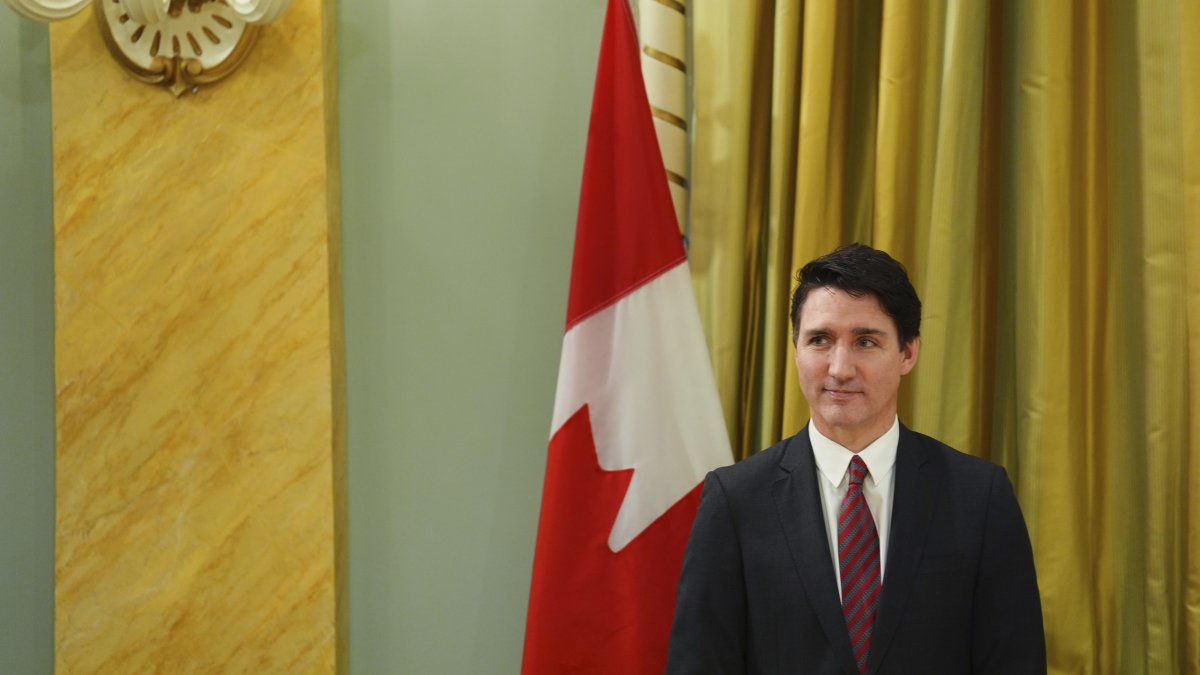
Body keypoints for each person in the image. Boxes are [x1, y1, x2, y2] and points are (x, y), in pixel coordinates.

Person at [666, 244, 1045, 674]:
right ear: (795, 350)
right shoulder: (734, 501)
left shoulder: (980, 498)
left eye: (865, 341)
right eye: (820, 340)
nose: (839, 368)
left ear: (908, 353)